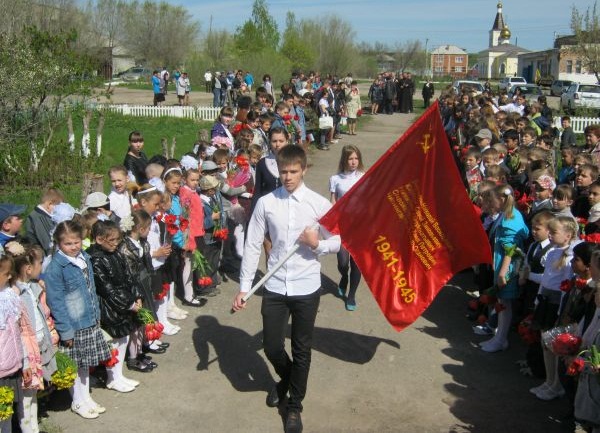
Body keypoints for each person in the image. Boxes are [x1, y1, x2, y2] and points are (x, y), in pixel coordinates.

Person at [232, 145, 340, 433]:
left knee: (302, 348)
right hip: (275, 285)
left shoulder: (318, 205)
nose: (288, 177)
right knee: (272, 346)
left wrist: (318, 245)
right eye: (283, 172)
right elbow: (253, 244)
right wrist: (244, 288)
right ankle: (290, 378)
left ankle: (294, 405)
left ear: (304, 170)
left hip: (307, 286)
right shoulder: (267, 203)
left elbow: (340, 240)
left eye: (293, 171)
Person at [45, 220, 111, 419]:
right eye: (68, 244)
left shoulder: (84, 257)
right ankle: (77, 400)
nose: (73, 247)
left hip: (89, 319)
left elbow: (92, 291)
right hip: (74, 324)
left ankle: (85, 397)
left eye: (76, 242)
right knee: (75, 364)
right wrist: (66, 330)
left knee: (85, 363)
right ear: (58, 243)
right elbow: (56, 301)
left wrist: (97, 315)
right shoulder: (56, 268)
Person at [87, 220, 143, 393]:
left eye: (117, 240)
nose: (116, 244)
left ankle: (119, 375)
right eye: (111, 240)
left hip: (125, 303)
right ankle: (112, 377)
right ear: (99, 239)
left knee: (124, 339)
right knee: (115, 343)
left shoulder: (116, 253)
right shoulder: (96, 260)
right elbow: (107, 289)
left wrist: (136, 296)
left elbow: (129, 276)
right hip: (111, 307)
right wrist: (129, 303)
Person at [479, 185, 529, 353]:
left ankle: (501, 339)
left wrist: (502, 272)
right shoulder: (505, 215)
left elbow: (511, 248)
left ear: (501, 199)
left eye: (493, 200)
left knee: (505, 303)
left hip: (507, 267)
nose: (491, 204)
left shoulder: (510, 219)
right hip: (501, 263)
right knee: (501, 302)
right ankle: (498, 336)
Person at [330, 145, 364, 311]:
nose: (353, 162)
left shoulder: (365, 177)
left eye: (356, 158)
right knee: (343, 262)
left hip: (360, 226)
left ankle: (351, 296)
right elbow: (333, 202)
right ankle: (344, 277)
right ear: (344, 160)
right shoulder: (335, 179)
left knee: (357, 263)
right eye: (350, 158)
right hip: (342, 226)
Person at [25, 188, 64, 256]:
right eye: (58, 207)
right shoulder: (39, 218)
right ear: (49, 204)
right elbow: (49, 245)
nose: (60, 210)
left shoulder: (43, 216)